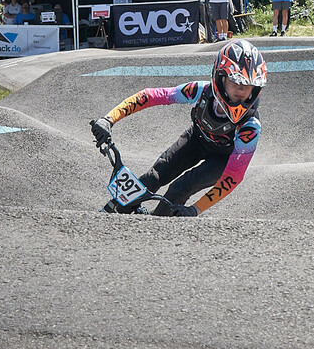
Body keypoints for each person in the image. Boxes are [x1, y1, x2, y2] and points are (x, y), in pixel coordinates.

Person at [90, 39, 267, 217]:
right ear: (220, 78)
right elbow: (151, 96)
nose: (241, 90)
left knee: (181, 188)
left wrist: (195, 209)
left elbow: (233, 176)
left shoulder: (249, 126)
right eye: (235, 81)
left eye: (248, 85)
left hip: (222, 159)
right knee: (153, 177)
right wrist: (109, 119)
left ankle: (154, 227)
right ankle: (113, 210)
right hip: (196, 140)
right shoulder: (201, 91)